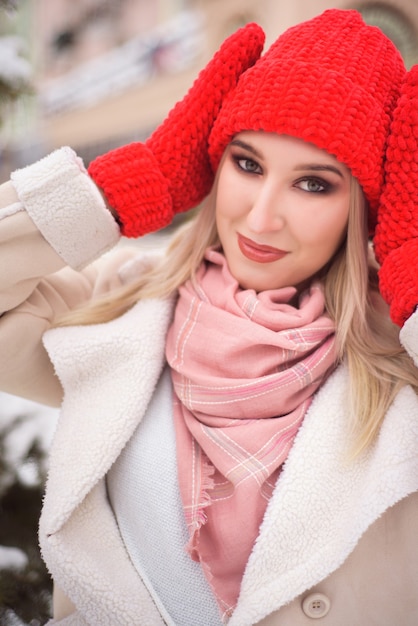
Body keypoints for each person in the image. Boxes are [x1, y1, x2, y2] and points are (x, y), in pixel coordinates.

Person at [0, 8, 418, 625]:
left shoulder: (399, 357)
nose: (261, 217)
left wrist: (409, 261)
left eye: (314, 185)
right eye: (247, 165)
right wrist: (123, 191)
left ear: (365, 207)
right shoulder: (127, 308)